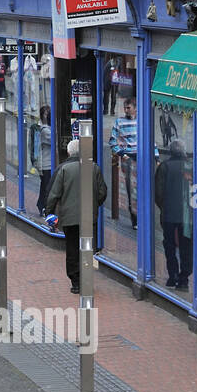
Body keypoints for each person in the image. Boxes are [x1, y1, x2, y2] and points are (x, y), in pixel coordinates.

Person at [44, 138, 109, 293]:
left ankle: (76, 282)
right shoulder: (94, 168)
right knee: (86, 247)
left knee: (72, 248)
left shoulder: (63, 169)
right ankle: (86, 279)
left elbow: (53, 194)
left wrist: (49, 212)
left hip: (69, 218)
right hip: (89, 217)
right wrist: (94, 205)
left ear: (68, 152)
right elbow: (102, 192)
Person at [155, 139, 193, 289]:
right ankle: (184, 278)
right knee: (186, 246)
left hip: (169, 215)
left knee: (169, 246)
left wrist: (164, 208)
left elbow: (158, 192)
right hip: (186, 215)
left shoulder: (164, 167)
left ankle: (173, 275)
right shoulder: (190, 166)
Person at [110, 97, 139, 228]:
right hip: (128, 160)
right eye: (125, 108)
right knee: (131, 190)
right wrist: (122, 154)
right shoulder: (119, 122)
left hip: (141, 159)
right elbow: (112, 142)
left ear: (135, 108)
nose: (126, 110)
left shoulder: (142, 121)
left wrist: (156, 158)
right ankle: (135, 220)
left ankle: (142, 217)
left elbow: (151, 140)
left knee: (142, 190)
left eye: (129, 108)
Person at [35, 105, 54, 214]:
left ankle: (41, 205)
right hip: (46, 164)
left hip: (47, 163)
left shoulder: (46, 129)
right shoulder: (45, 130)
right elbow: (54, 141)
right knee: (47, 187)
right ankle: (44, 207)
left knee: (44, 186)